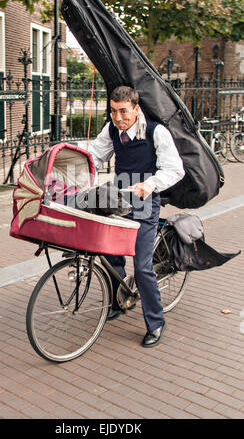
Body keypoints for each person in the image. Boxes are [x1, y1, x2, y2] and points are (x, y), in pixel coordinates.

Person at [88, 85, 185, 348]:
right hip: (118, 202)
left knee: (142, 267)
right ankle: (119, 303)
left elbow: (176, 170)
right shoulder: (111, 130)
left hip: (144, 204)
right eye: (113, 111)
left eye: (123, 111)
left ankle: (156, 322)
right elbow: (94, 156)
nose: (118, 118)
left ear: (136, 108)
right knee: (110, 256)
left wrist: (150, 184)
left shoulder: (156, 131)